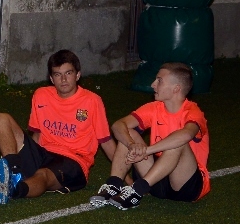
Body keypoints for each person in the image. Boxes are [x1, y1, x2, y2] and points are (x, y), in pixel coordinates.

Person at [0, 50, 115, 204]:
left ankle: (14, 190)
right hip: (44, 152)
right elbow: (37, 135)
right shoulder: (41, 95)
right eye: (57, 74)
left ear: (77, 75)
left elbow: (106, 141)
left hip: (74, 160)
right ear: (51, 78)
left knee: (43, 174)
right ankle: (14, 170)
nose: (63, 79)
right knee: (2, 118)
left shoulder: (92, 101)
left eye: (68, 73)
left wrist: (122, 177)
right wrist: (28, 158)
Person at [90, 63, 210, 210]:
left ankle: (137, 190)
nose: (153, 84)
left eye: (159, 80)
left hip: (187, 186)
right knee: (129, 133)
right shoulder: (154, 108)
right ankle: (113, 186)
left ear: (176, 88)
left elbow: (186, 135)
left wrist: (147, 150)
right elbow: (118, 125)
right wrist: (131, 144)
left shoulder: (193, 112)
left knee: (178, 142)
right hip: (157, 182)